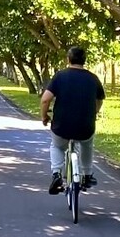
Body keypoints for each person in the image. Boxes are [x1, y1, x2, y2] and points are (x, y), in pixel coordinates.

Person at [40, 46, 105, 194]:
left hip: (61, 126)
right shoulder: (93, 78)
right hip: (85, 127)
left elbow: (45, 100)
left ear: (68, 59)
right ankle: (87, 175)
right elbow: (99, 100)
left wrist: (44, 117)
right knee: (87, 144)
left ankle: (56, 174)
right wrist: (93, 113)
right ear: (84, 60)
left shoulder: (60, 76)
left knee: (57, 146)